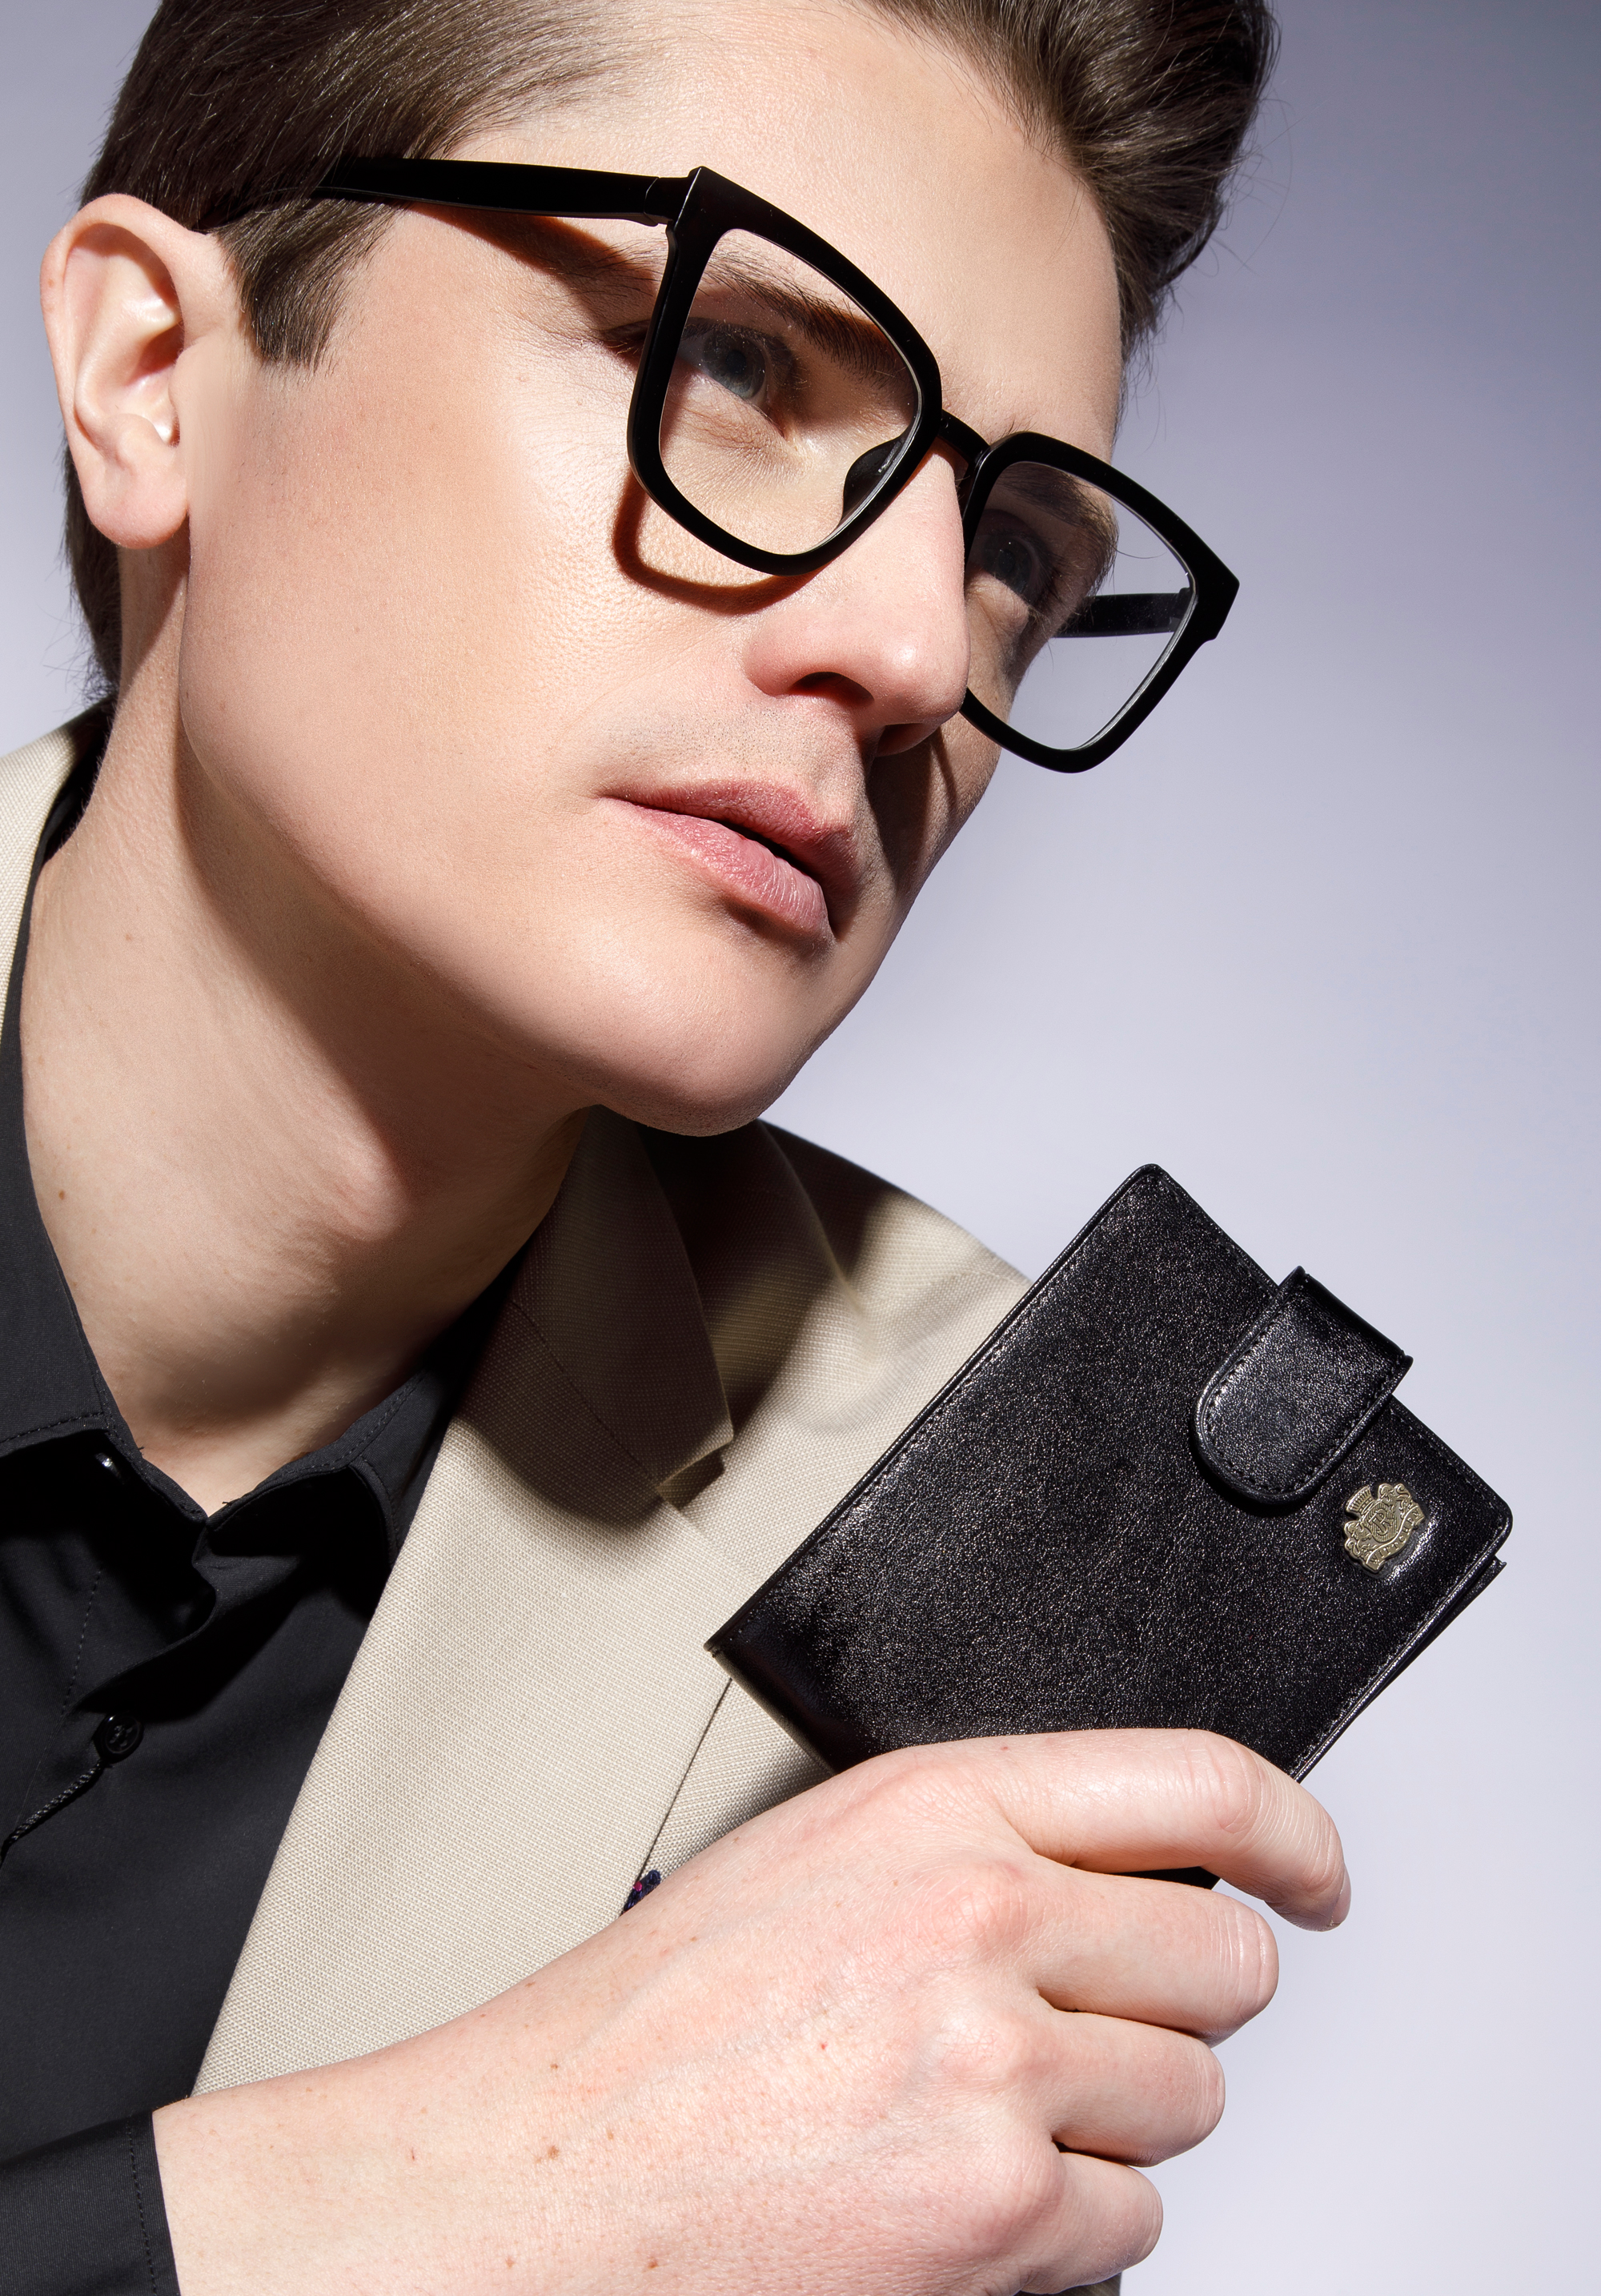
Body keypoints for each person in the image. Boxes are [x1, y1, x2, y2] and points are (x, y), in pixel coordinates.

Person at [0, 2, 1350, 2290]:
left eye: (1017, 549)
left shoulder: (968, 1540)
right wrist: (459, 2193)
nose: (916, 648)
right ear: (153, 373)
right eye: (735, 359)